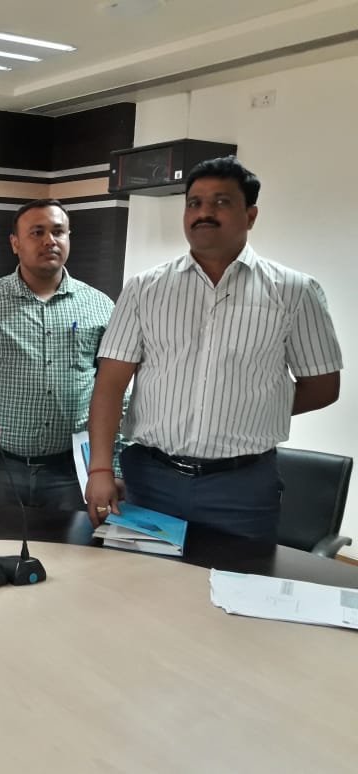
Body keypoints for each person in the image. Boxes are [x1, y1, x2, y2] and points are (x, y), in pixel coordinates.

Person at [86, 156, 342, 541]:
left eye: (221, 202)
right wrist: (101, 469)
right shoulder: (144, 289)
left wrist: (249, 407)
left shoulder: (295, 292)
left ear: (250, 215)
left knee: (235, 578)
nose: (204, 212)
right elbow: (109, 384)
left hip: (243, 487)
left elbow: (322, 386)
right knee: (142, 576)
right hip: (153, 479)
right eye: (194, 203)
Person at [0, 199, 117, 510]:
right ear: (15, 243)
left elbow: (117, 392)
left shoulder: (100, 306)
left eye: (58, 232)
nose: (50, 240)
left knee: (70, 543)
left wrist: (111, 465)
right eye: (37, 232)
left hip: (73, 470)